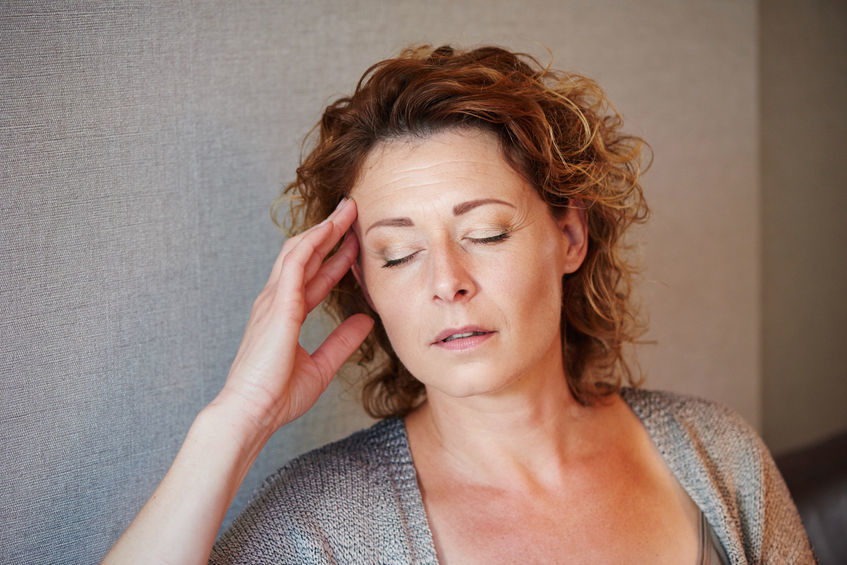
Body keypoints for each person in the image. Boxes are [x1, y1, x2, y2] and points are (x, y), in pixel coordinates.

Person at [104, 45, 813, 564]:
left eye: (486, 233)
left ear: (569, 237)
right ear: (366, 284)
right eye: (398, 253)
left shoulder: (717, 453)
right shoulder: (319, 525)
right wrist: (236, 420)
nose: (447, 280)